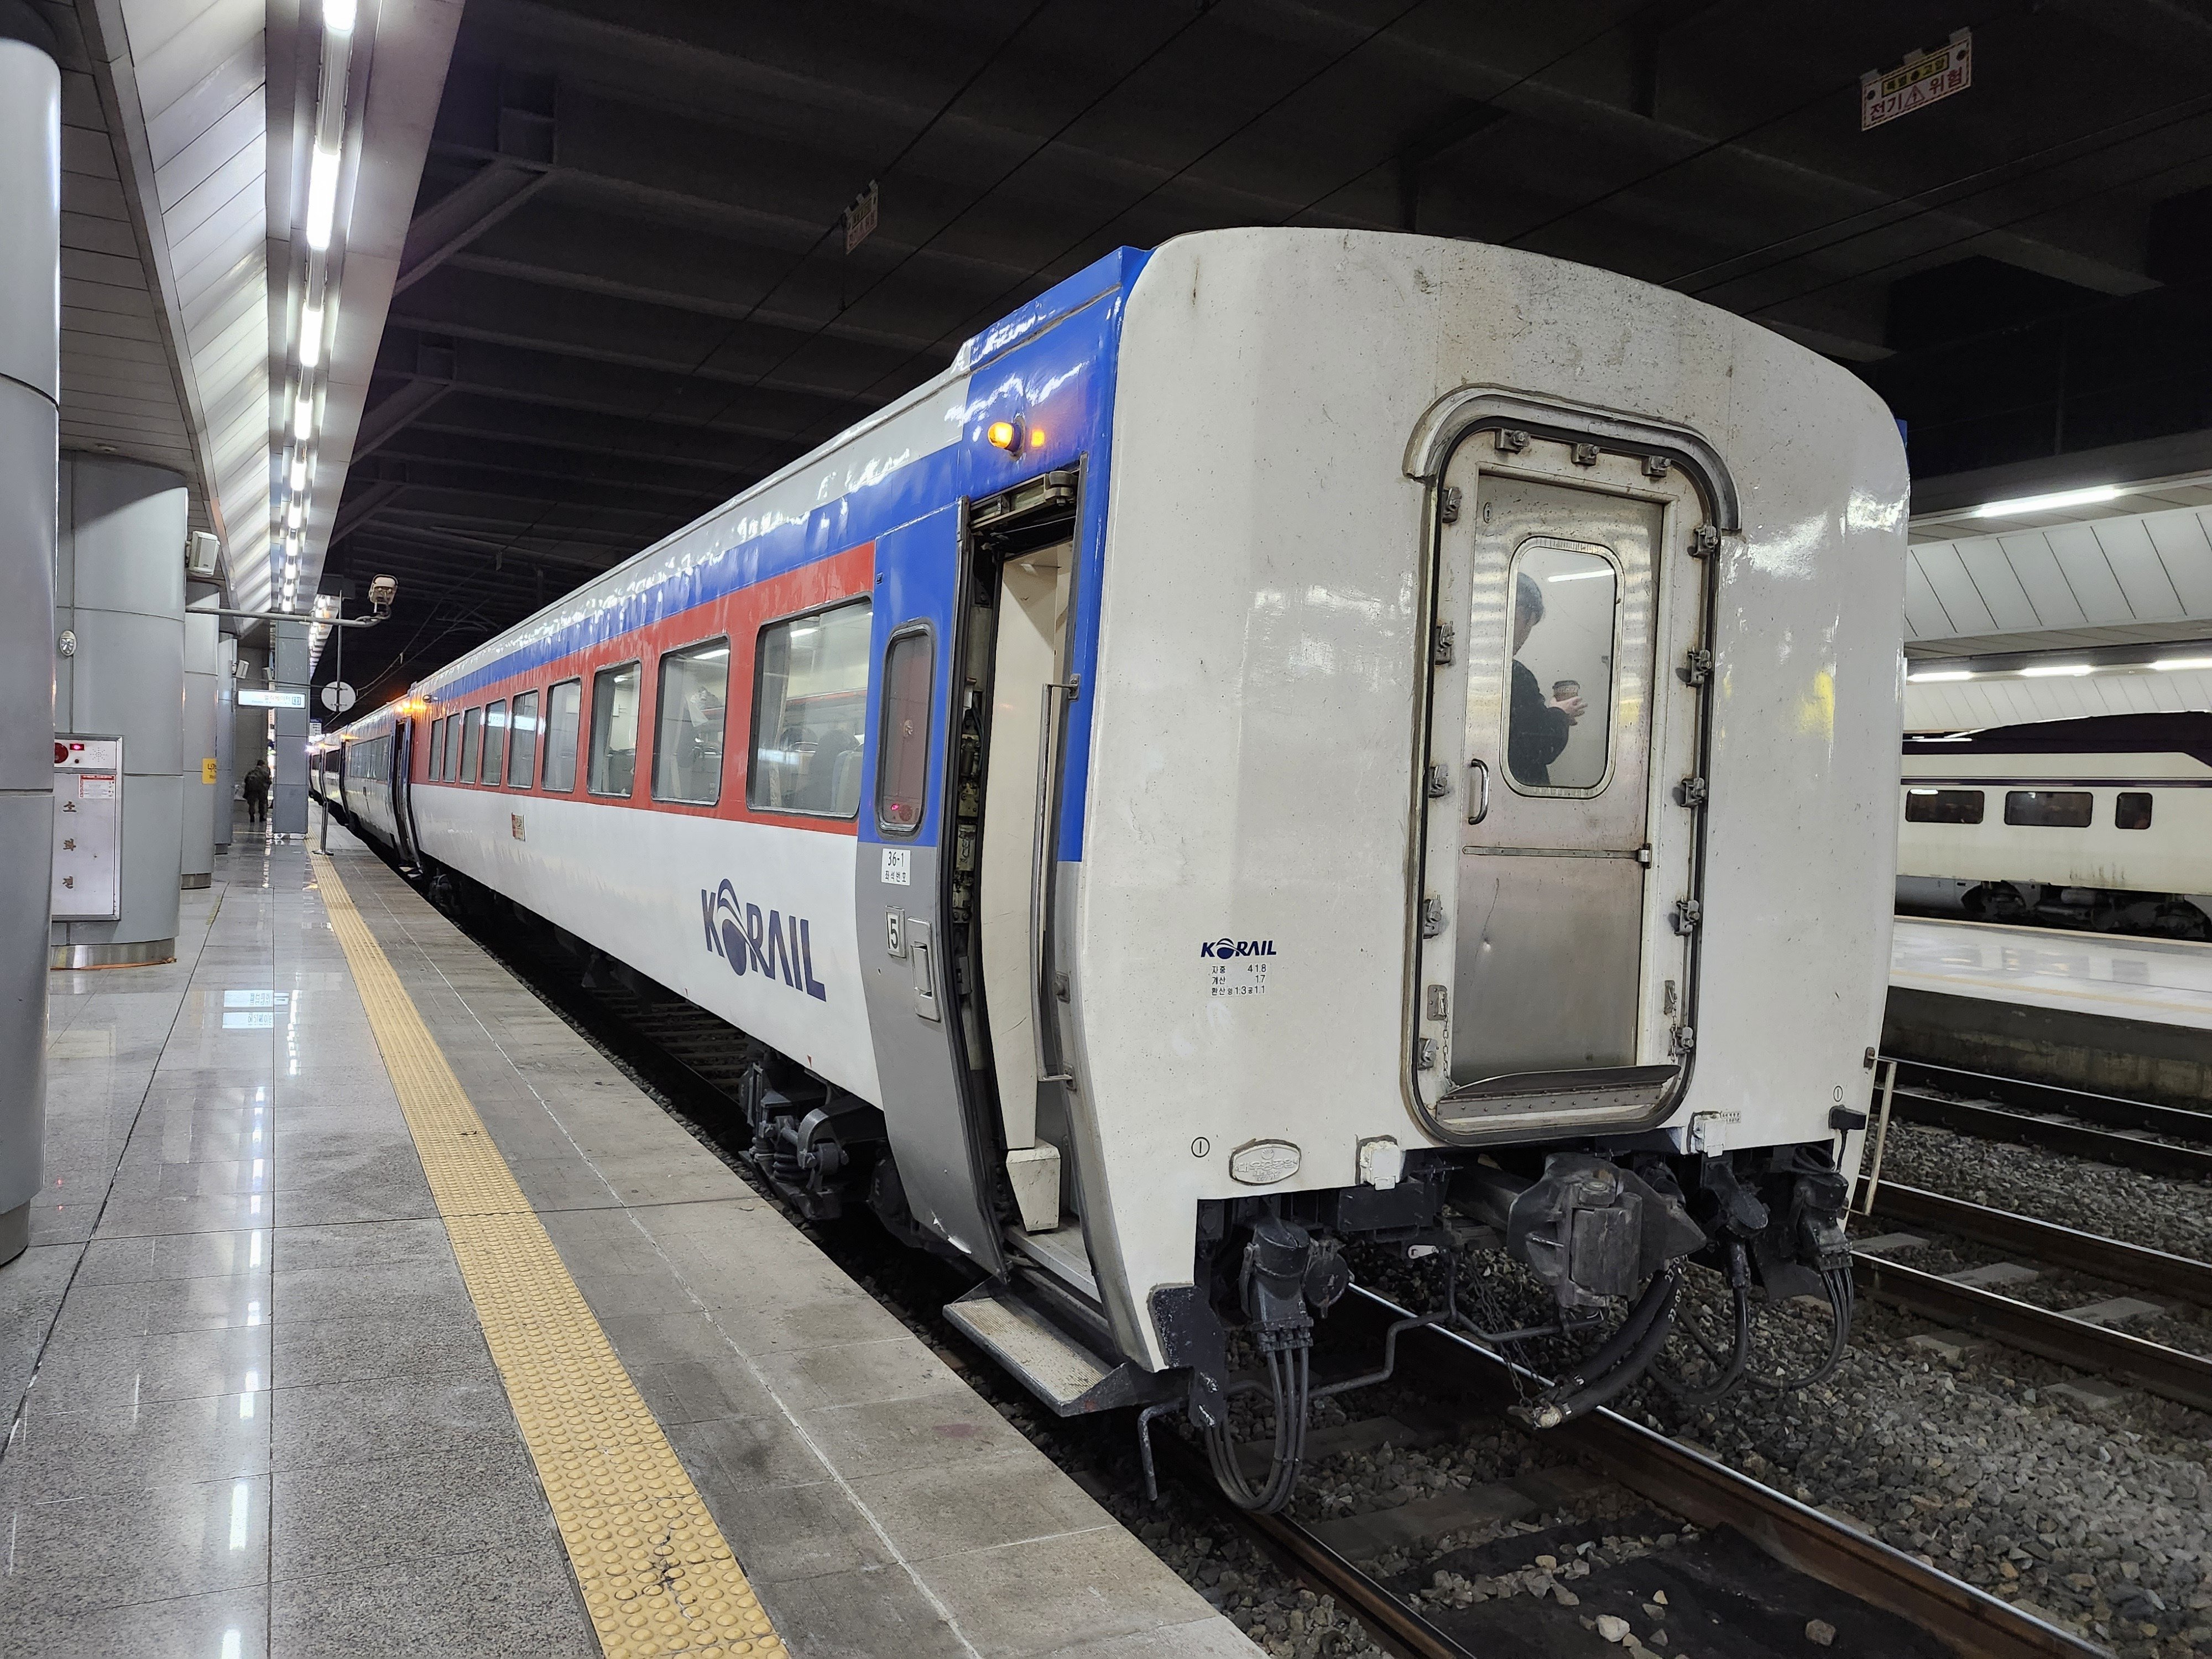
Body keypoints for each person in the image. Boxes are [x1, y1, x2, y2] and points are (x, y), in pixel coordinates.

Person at [1506, 572, 1586, 787]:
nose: (1524, 635)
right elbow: (1540, 745)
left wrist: (1550, 713)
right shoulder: (1514, 675)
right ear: (1524, 615)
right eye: (1528, 623)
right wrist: (1561, 714)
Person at [243, 760, 270, 826]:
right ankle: (261, 817)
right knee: (262, 804)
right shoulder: (264, 773)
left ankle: (252, 817)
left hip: (252, 791)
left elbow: (246, 781)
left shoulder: (251, 772)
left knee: (252, 804)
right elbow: (268, 782)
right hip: (261, 791)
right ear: (263, 765)